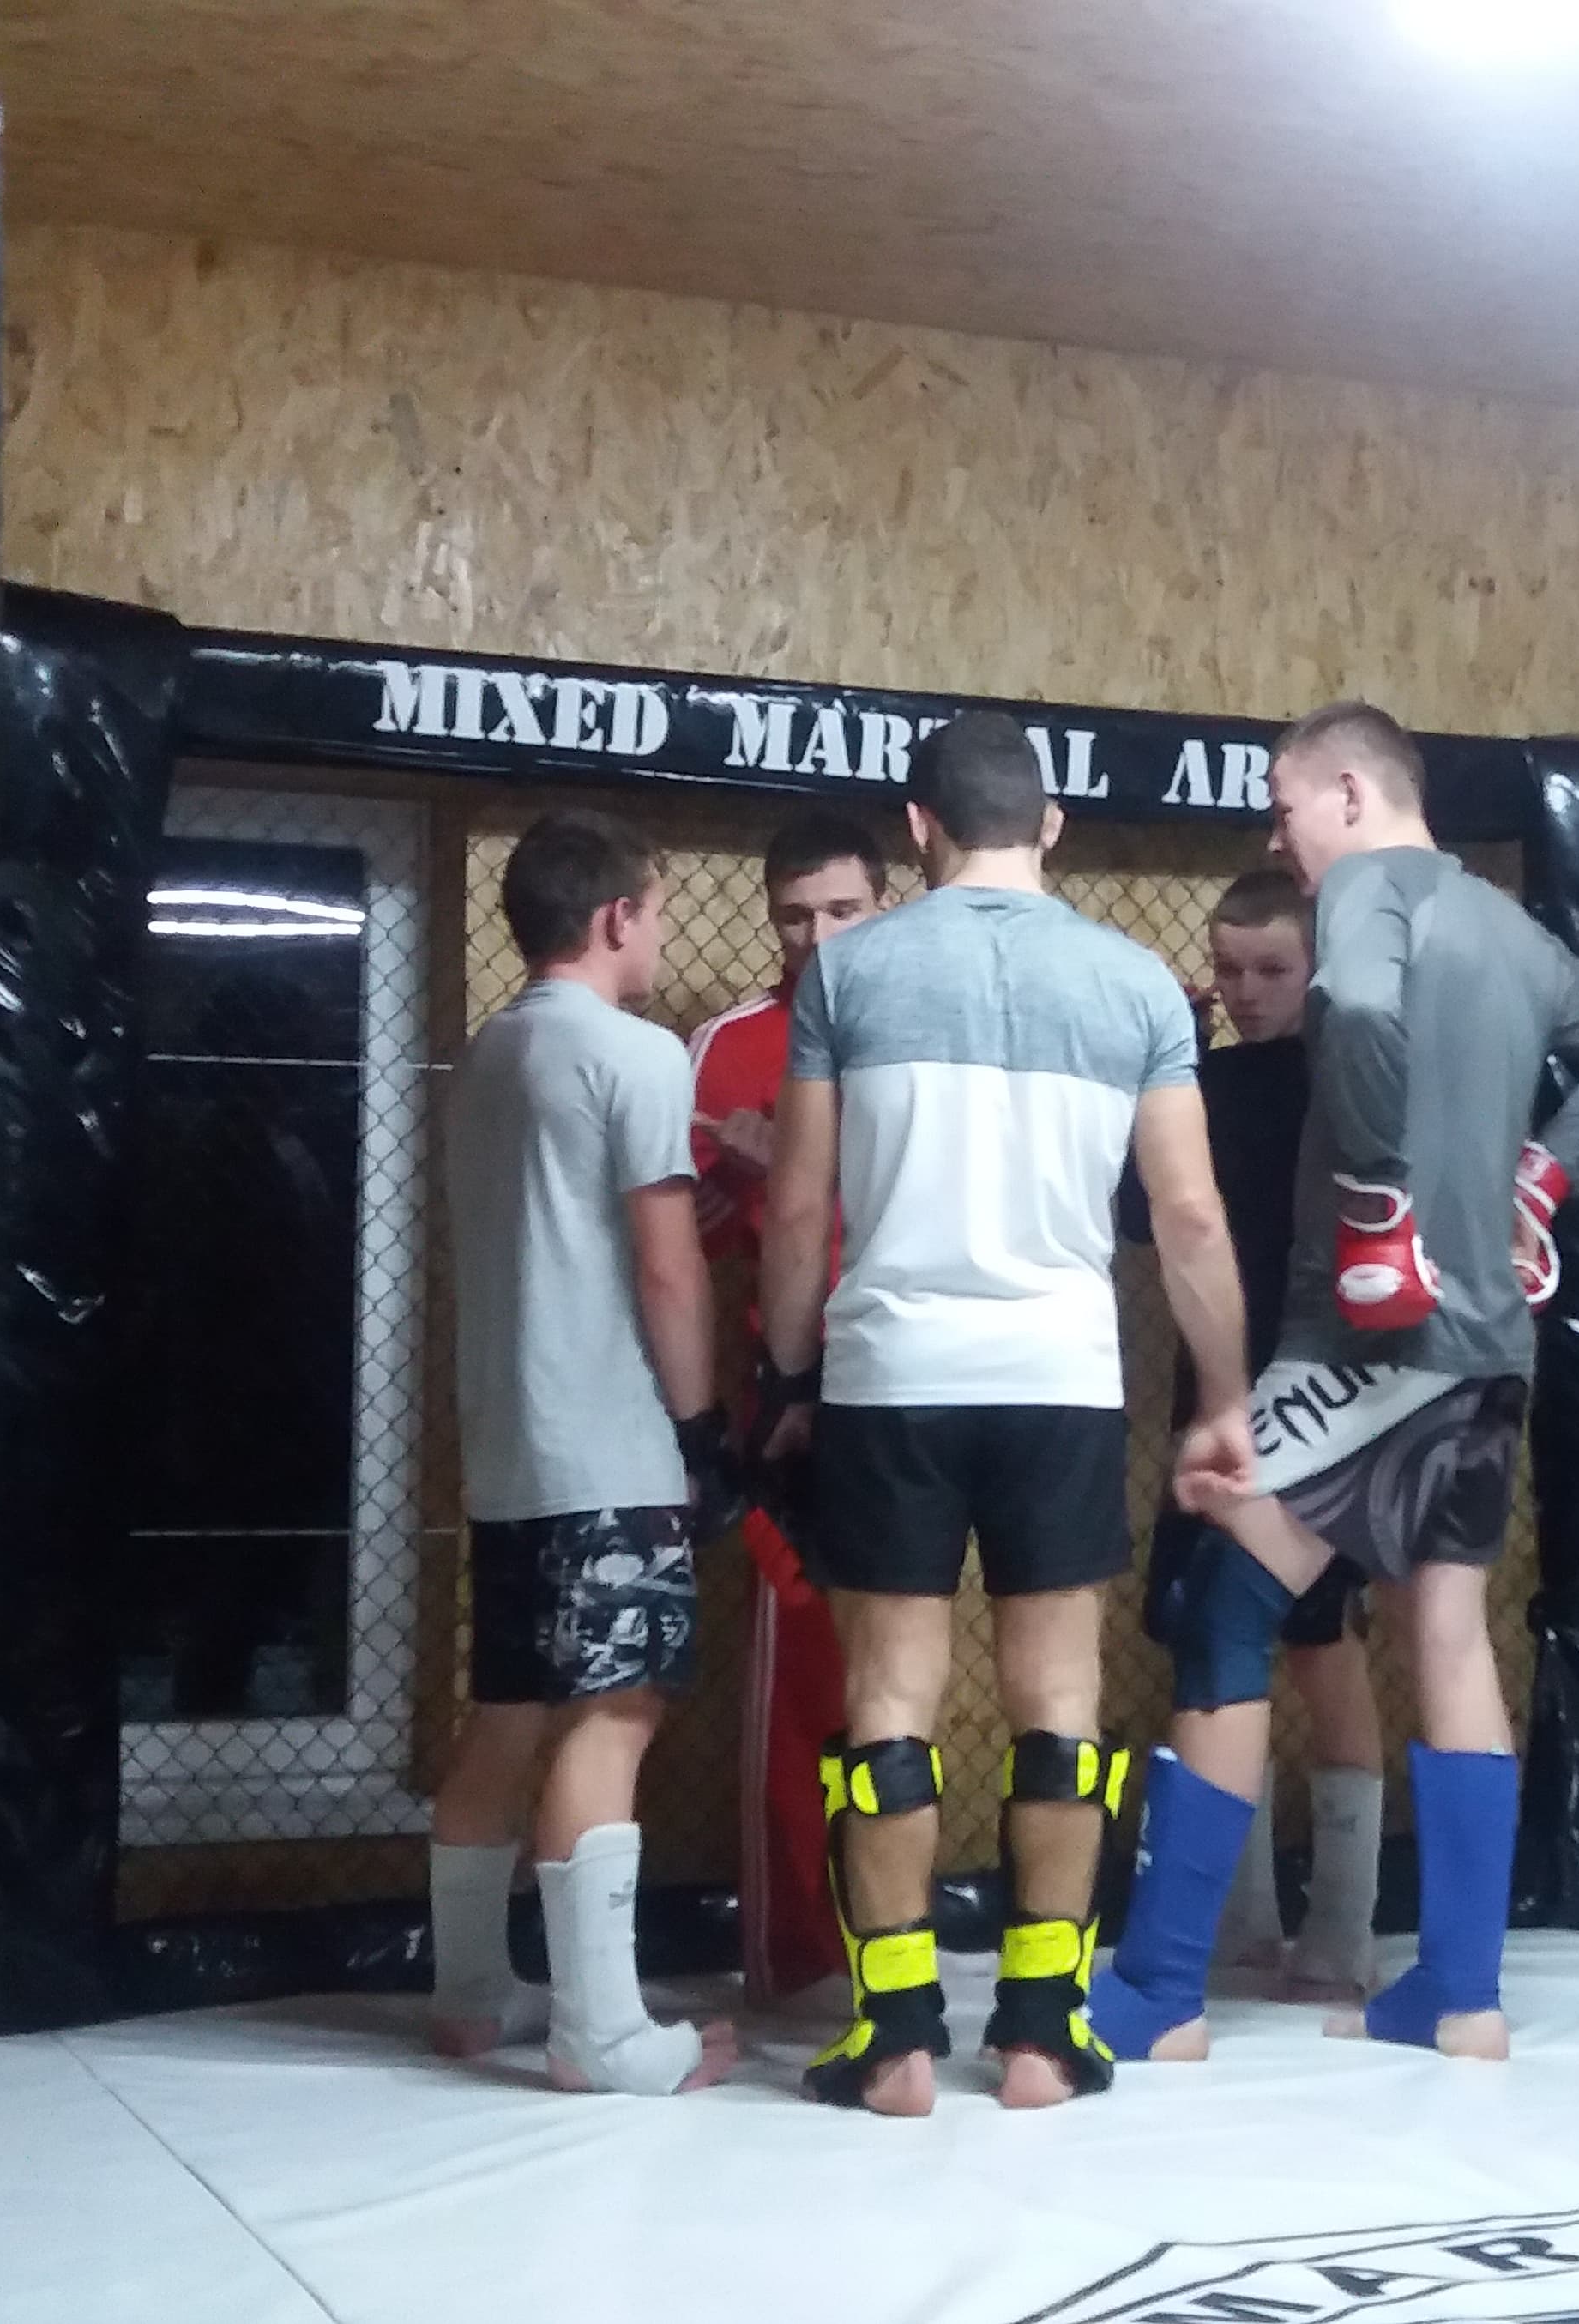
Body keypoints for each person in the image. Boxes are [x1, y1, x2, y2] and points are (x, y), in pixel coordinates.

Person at [1091, 701, 1579, 2066]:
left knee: (1226, 1609)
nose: (1278, 840)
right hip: (1488, 1346)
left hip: (1365, 1341)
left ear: (1351, 794)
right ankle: (1462, 1994)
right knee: (1450, 1633)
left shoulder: (1366, 893)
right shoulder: (1516, 933)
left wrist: (1373, 1194)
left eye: (1284, 809)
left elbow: (1356, 1004)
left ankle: (1163, 1991)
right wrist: (1541, 1174)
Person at [756, 709, 1256, 2116]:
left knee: (888, 1700)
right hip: (1060, 1377)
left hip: (892, 1375)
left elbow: (797, 1204)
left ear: (917, 828)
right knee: (1061, 1700)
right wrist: (1224, 1396)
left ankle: (895, 2037)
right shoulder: (1139, 984)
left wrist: (787, 1376)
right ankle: (1041, 2030)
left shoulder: (846, 970)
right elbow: (1191, 1216)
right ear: (1051, 825)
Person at [428, 810, 742, 2097]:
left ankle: (469, 1995)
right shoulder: (635, 1053)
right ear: (618, 916)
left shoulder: (489, 1051)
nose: (657, 936)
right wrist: (703, 1427)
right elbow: (669, 1265)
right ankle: (600, 2031)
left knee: (509, 1708)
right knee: (616, 1709)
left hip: (509, 1441)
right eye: (655, 913)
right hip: (608, 1442)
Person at [1119, 867, 1384, 2002]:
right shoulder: (1205, 1081)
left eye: (1273, 969)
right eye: (1228, 970)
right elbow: (1141, 1220)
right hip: (1222, 1396)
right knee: (1208, 1641)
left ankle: (1344, 1927)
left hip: (1328, 1397)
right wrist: (1167, 1056)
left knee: (1323, 1645)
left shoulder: (1353, 1081)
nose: (1246, 990)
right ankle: (1244, 1916)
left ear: (1318, 969)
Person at [686, 811, 890, 2007]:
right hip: (794, 1395)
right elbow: (682, 1242)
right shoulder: (729, 1047)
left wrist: (804, 1167)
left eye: (843, 911)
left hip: (920, 1381)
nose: (817, 937)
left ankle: (894, 1942)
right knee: (802, 1674)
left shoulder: (934, 1023)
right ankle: (799, 1952)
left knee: (902, 1677)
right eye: (796, 916)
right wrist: (743, 1179)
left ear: (886, 904)